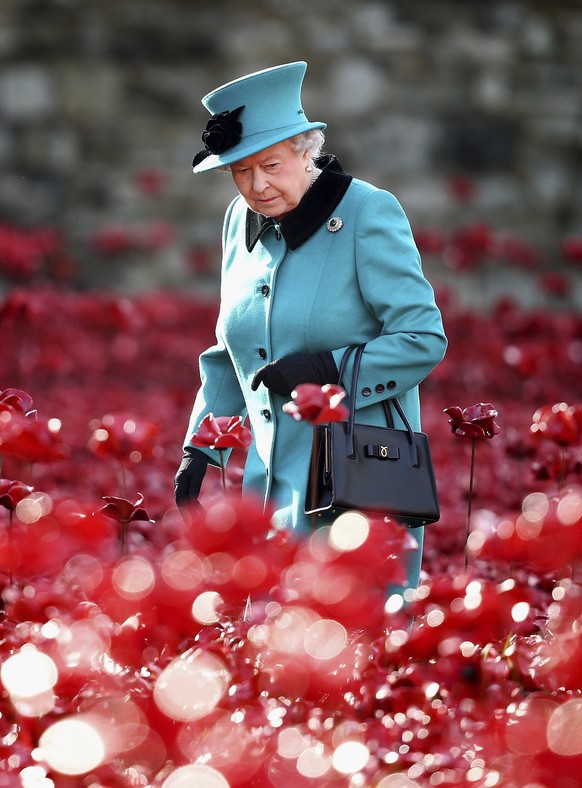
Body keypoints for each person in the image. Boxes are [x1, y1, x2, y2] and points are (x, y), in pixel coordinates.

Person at [174, 61, 447, 591]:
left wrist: (327, 369)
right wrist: (199, 446)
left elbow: (423, 340)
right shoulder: (238, 220)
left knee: (355, 652)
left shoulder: (368, 213)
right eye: (241, 170)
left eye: (271, 165)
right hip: (266, 489)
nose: (257, 185)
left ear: (307, 150)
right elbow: (230, 349)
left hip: (357, 483)